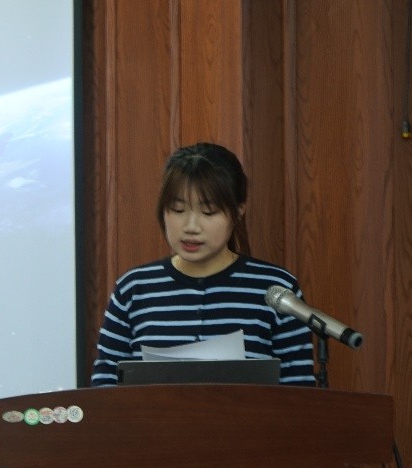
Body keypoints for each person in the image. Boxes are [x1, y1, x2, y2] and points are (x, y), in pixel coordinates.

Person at [90, 142, 316, 386]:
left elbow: (299, 389)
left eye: (208, 212)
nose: (191, 227)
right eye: (177, 210)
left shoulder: (276, 290)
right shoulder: (134, 289)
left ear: (238, 211)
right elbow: (105, 384)